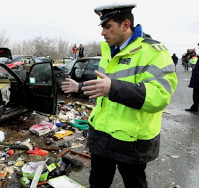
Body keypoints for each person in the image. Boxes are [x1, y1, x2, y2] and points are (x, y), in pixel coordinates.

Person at [61, 2, 178, 187]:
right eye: (102, 27)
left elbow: (160, 96)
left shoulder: (154, 53)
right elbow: (102, 87)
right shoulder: (108, 52)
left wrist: (113, 88)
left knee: (135, 184)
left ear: (125, 25)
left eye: (108, 27)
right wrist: (79, 87)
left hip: (131, 142)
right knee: (97, 183)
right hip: (101, 136)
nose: (102, 33)